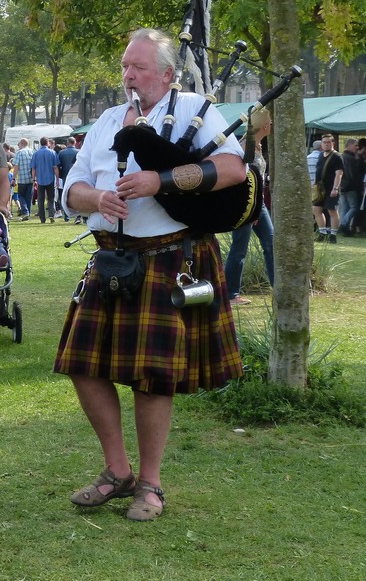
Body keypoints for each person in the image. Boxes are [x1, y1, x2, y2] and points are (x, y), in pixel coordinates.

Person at [56, 28, 244, 521]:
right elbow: (71, 187)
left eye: (138, 67)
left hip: (169, 259)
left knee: (153, 378)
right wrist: (96, 198)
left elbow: (232, 169)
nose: (129, 75)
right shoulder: (105, 121)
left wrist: (157, 180)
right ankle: (117, 472)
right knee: (82, 365)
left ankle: (151, 485)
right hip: (111, 256)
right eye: (124, 66)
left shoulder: (194, 110)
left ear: (166, 73)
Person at [223, 108, 275, 305]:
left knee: (271, 243)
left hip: (258, 204)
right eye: (269, 122)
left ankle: (277, 287)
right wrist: (251, 210)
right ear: (264, 125)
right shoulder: (246, 146)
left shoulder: (258, 145)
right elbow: (243, 180)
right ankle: (231, 294)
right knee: (239, 248)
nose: (271, 125)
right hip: (246, 204)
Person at [313, 134, 343, 243]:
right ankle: (322, 233)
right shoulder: (321, 155)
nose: (326, 144)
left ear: (333, 143)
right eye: (324, 142)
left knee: (332, 211)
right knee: (316, 210)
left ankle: (333, 235)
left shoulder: (337, 156)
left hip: (331, 188)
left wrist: (335, 188)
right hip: (320, 188)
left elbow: (339, 174)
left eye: (328, 142)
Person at [31, 137, 60, 224]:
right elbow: (55, 167)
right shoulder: (52, 152)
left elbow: (33, 168)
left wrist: (33, 179)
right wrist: (57, 179)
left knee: (40, 199)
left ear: (40, 143)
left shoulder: (36, 154)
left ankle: (42, 218)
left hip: (40, 179)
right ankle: (51, 214)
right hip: (50, 178)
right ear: (47, 143)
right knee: (51, 198)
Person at [339, 138, 363, 237]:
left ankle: (344, 227)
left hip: (341, 186)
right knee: (354, 207)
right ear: (349, 145)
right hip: (350, 186)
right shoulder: (351, 158)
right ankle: (344, 224)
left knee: (345, 208)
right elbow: (352, 175)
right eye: (355, 145)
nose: (357, 148)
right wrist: (358, 186)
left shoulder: (341, 156)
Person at [57, 137, 80, 221]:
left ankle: (66, 216)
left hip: (64, 176)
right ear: (74, 142)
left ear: (67, 143)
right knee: (77, 195)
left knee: (65, 195)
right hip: (76, 176)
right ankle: (78, 215)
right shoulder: (79, 152)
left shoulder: (61, 153)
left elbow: (58, 165)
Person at [12, 138, 35, 220]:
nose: (18, 145)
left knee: (21, 196)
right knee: (29, 197)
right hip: (31, 178)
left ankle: (25, 212)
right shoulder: (32, 152)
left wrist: (13, 178)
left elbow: (16, 166)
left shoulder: (19, 153)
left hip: (22, 178)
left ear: (22, 143)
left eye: (18, 144)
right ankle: (27, 214)